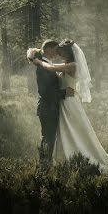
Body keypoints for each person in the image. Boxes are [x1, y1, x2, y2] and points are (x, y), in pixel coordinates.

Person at [30, 39, 108, 175]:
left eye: (60, 51)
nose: (58, 53)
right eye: (57, 50)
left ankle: (84, 159)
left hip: (69, 102)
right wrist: (34, 56)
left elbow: (51, 68)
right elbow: (51, 72)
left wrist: (38, 61)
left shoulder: (72, 65)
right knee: (64, 133)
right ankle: (66, 161)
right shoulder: (65, 64)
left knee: (77, 131)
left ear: (67, 52)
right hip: (62, 103)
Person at [26, 39, 71, 170]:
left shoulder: (47, 64)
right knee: (48, 138)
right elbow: (45, 92)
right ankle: (44, 167)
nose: (57, 52)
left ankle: (45, 165)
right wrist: (64, 92)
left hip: (50, 108)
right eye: (56, 49)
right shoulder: (43, 67)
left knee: (49, 138)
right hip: (47, 108)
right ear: (48, 50)